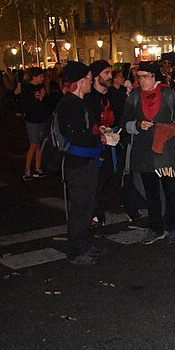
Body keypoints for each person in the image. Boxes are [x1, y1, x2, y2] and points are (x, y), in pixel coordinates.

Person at [120, 61, 175, 245]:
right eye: (139, 77)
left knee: (171, 193)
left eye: (145, 77)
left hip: (167, 153)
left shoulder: (169, 94)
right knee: (151, 195)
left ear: (154, 77)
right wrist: (136, 125)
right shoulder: (134, 96)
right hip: (144, 155)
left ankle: (174, 229)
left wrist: (169, 129)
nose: (142, 80)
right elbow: (123, 123)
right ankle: (156, 228)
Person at [56, 61, 108, 266]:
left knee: (88, 205)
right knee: (81, 206)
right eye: (88, 78)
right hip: (78, 163)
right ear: (79, 81)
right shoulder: (69, 104)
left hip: (88, 159)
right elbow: (76, 136)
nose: (90, 81)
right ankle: (77, 250)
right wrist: (101, 140)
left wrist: (99, 137)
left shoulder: (80, 101)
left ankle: (84, 244)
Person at [85, 60, 125, 227]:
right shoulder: (88, 98)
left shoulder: (115, 95)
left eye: (111, 73)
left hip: (115, 142)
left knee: (119, 177)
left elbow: (123, 115)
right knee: (96, 182)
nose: (110, 76)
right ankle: (95, 215)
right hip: (97, 144)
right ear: (95, 76)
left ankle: (130, 209)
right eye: (106, 73)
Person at [20, 68, 50, 180]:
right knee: (33, 144)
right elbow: (28, 105)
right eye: (40, 76)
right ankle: (27, 170)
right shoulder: (27, 89)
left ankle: (38, 168)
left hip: (42, 118)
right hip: (33, 119)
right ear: (34, 77)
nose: (42, 79)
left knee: (40, 145)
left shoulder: (42, 88)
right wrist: (40, 97)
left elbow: (47, 103)